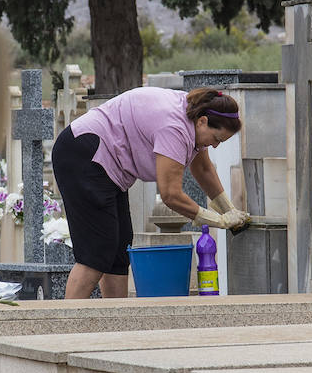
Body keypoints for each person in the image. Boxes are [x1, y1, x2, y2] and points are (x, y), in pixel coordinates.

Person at [51, 86, 249, 299]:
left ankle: (115, 317)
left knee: (119, 252)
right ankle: (66, 316)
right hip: (84, 153)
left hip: (105, 164)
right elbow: (170, 195)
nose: (215, 146)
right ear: (203, 121)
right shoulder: (174, 127)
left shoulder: (195, 114)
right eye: (217, 139)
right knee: (96, 252)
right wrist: (217, 220)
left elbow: (202, 169)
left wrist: (230, 210)